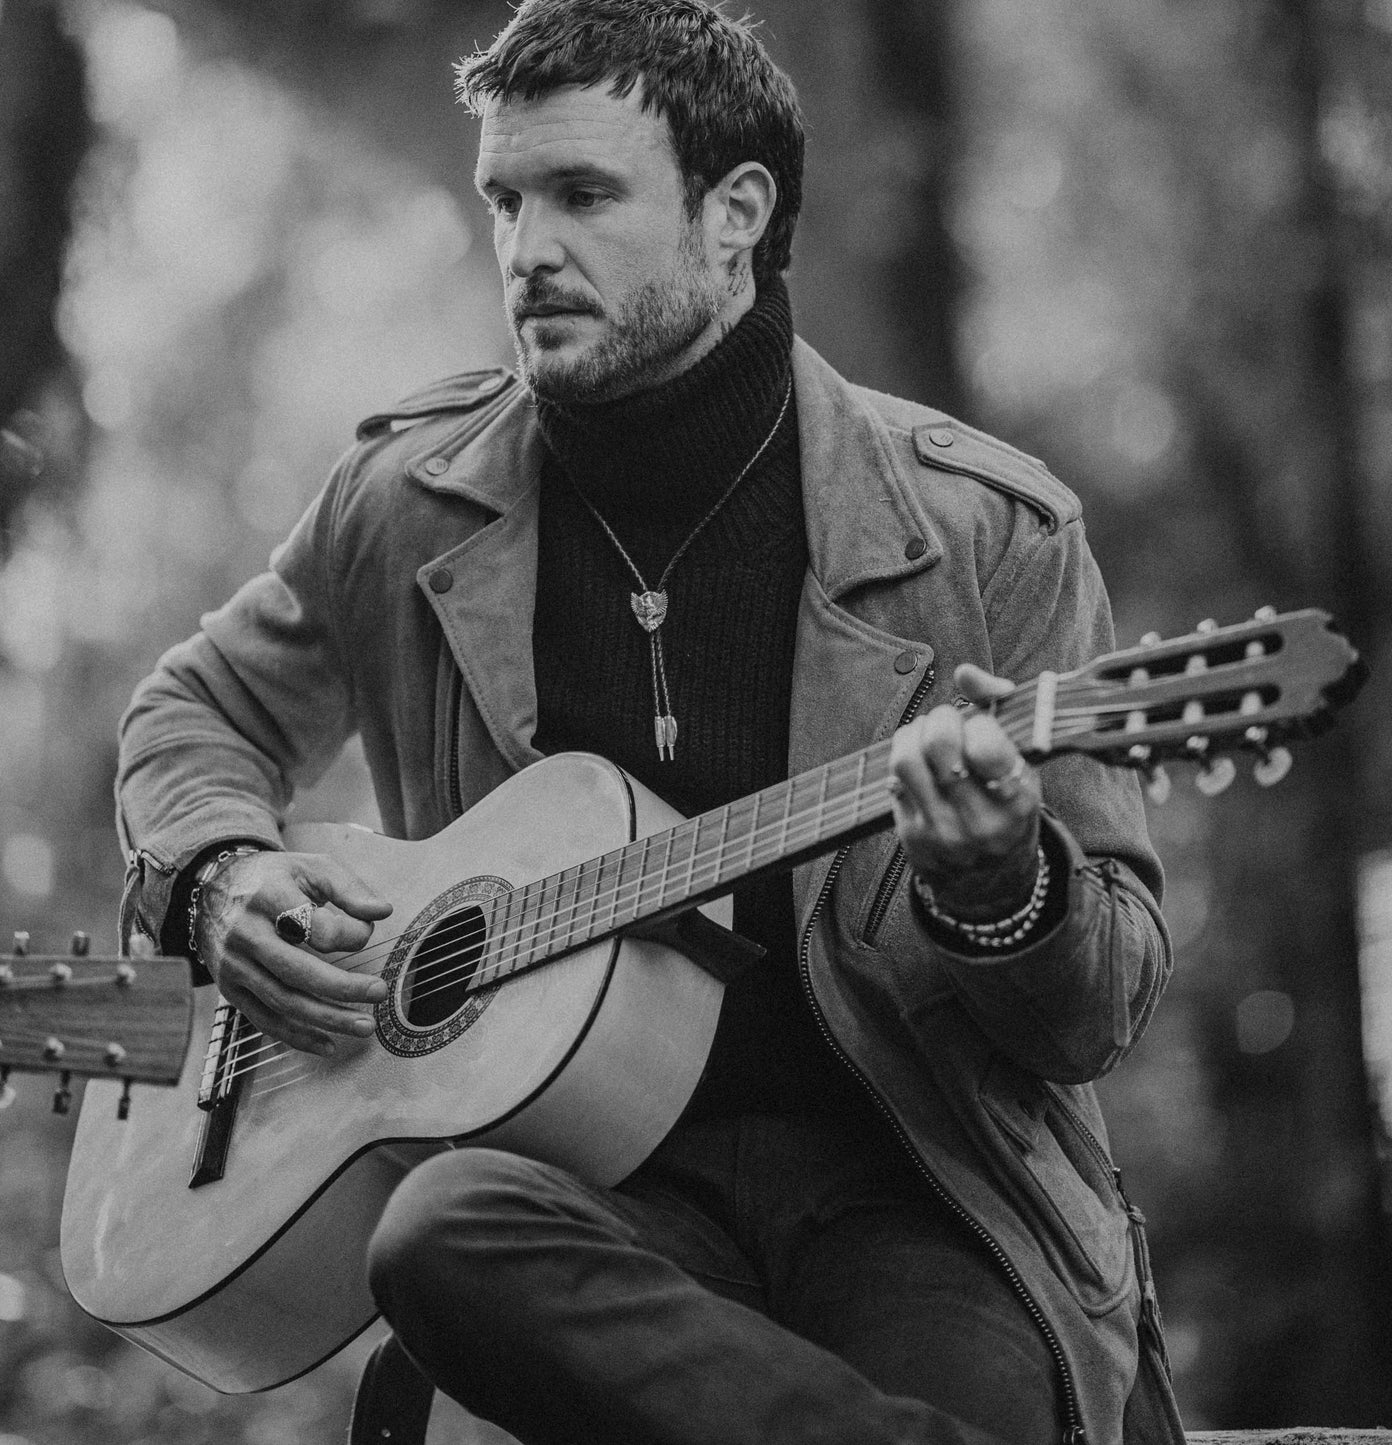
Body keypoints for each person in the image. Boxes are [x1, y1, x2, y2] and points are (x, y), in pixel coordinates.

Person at [115, 3, 1184, 1442]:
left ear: (734, 213)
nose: (524, 249)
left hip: (915, 1188)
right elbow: (197, 710)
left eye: (581, 195)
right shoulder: (405, 501)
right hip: (582, 1205)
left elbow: (1095, 1008)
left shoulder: (987, 534)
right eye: (505, 197)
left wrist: (1002, 884)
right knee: (435, 1229)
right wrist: (222, 870)